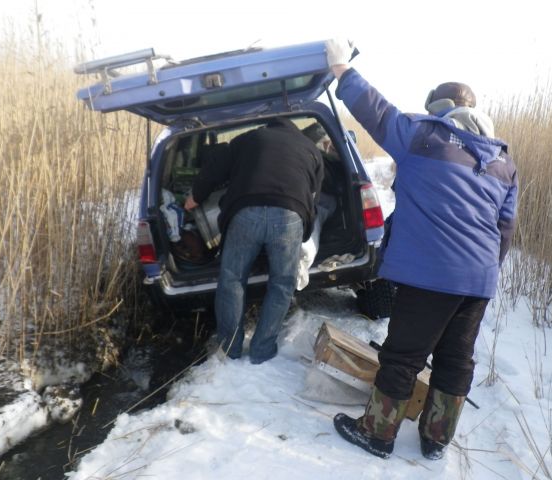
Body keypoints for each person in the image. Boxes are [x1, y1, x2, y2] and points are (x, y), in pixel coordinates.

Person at [325, 39, 518, 460]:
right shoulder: (503, 161)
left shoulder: (424, 137)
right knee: (455, 359)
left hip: (433, 274)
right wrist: (482, 269)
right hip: (478, 280)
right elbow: (505, 228)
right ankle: (435, 440)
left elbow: (374, 110)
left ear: (441, 108)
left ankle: (376, 433)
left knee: (403, 354)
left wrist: (341, 68)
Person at [184, 117, 324, 364]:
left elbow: (214, 169)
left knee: (233, 279)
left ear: (267, 126)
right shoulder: (310, 148)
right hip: (290, 214)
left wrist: (195, 196)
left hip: (246, 212)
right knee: (282, 283)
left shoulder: (247, 139)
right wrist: (303, 232)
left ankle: (231, 348)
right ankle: (262, 349)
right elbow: (313, 197)